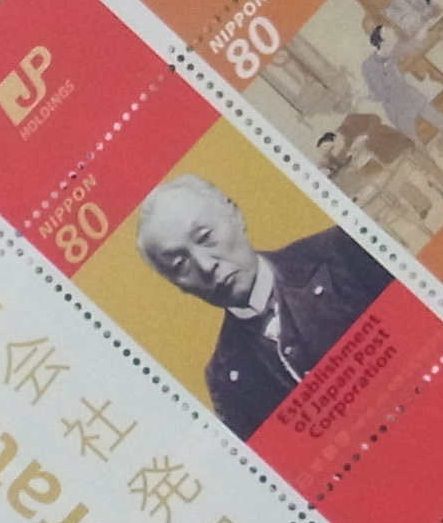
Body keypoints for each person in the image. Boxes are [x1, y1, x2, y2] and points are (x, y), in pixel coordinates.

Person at [132, 172, 389, 439]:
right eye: (180, 265)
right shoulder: (225, 380)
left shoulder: (343, 252)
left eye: (205, 237)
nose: (206, 265)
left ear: (235, 214)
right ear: (177, 285)